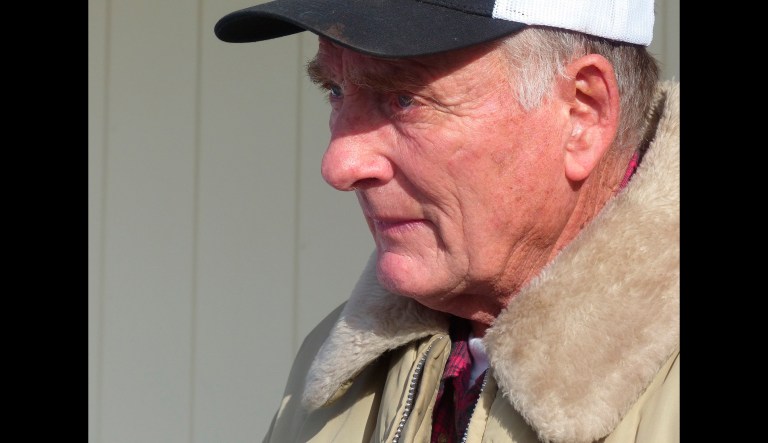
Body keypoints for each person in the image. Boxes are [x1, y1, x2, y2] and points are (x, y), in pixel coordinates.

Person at [214, 0, 679, 441]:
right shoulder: (330, 379)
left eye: (403, 99)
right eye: (334, 91)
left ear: (582, 113)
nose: (339, 165)